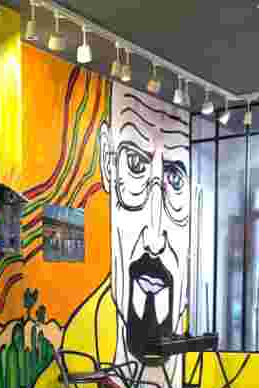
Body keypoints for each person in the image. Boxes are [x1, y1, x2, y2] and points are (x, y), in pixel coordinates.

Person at [99, 81, 191, 366]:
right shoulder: (78, 331)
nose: (154, 240)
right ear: (107, 162)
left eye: (175, 179)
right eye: (136, 165)